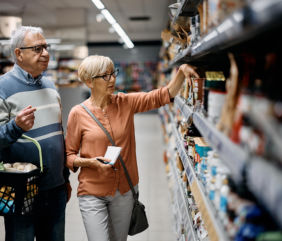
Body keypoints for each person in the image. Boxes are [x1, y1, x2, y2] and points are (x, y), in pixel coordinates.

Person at [65, 55, 199, 241]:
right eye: (105, 76)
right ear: (89, 81)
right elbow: (69, 155)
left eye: (113, 73)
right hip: (92, 192)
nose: (112, 79)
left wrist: (182, 72)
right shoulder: (77, 114)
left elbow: (163, 95)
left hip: (124, 190)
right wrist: (89, 162)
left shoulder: (125, 103)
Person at [0, 26, 71, 241]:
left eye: (46, 48)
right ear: (19, 53)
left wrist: (64, 178)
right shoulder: (0, 88)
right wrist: (15, 126)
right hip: (20, 190)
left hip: (55, 189)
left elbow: (58, 137)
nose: (46, 53)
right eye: (38, 48)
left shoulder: (50, 86)